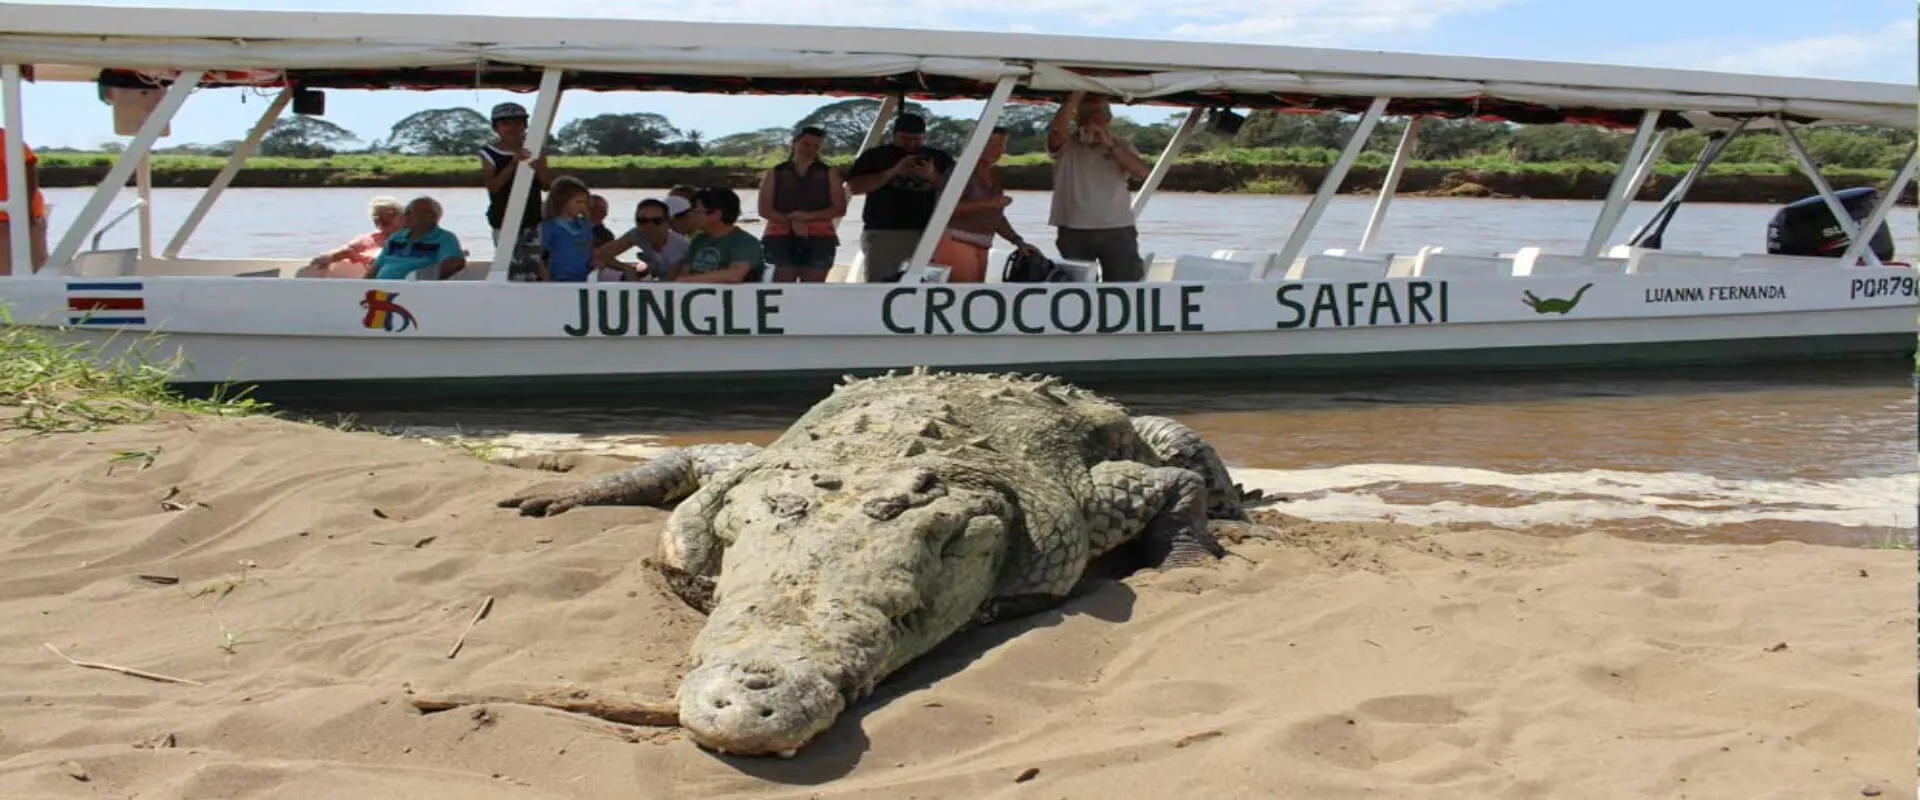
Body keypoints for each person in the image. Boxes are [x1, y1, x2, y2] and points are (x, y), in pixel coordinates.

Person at [1046, 90, 1152, 282]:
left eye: (1097, 114)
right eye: (1085, 115)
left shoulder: (1122, 145)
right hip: (1073, 229)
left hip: (1117, 229)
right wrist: (1076, 95)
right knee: (1077, 287)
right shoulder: (1067, 145)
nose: (1091, 120)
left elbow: (1142, 172)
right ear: (1076, 119)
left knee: (1124, 284)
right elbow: (1056, 130)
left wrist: (1110, 145)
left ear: (1108, 119)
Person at [843, 113, 953, 282]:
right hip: (883, 232)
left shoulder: (940, 158)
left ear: (925, 136)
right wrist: (894, 171)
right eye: (905, 139)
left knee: (926, 286)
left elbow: (958, 192)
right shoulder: (875, 156)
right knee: (881, 284)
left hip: (928, 232)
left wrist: (932, 176)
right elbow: (855, 187)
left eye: (916, 139)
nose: (910, 144)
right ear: (894, 135)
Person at [929, 127, 1038, 282]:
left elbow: (996, 216)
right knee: (963, 293)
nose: (997, 150)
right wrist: (989, 203)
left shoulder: (994, 174)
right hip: (957, 239)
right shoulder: (961, 172)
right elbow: (945, 208)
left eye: (1002, 145)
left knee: (976, 294)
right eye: (991, 144)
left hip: (983, 243)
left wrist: (1018, 241)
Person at [758, 126, 847, 282]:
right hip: (780, 236)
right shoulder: (775, 172)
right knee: (781, 290)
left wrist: (807, 217)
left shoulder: (829, 173)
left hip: (819, 237)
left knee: (812, 292)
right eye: (806, 144)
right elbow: (764, 209)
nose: (810, 150)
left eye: (816, 146)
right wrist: (793, 222)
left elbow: (839, 208)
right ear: (794, 143)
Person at [478, 102, 551, 281]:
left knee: (532, 263)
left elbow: (546, 185)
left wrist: (539, 166)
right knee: (509, 264)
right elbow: (493, 186)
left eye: (517, 123)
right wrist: (514, 164)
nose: (512, 128)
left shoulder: (535, 149)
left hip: (531, 217)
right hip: (503, 217)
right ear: (496, 128)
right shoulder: (488, 153)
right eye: (506, 124)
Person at [663, 187, 761, 284]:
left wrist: (687, 280)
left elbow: (735, 275)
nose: (691, 215)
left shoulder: (744, 242)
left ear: (716, 214)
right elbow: (684, 273)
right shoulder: (699, 240)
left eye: (695, 211)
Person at [297, 195, 404, 278]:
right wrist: (330, 256)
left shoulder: (412, 237)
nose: (382, 218)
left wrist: (361, 258)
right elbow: (345, 250)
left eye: (390, 214)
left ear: (403, 216)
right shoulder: (367, 239)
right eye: (376, 215)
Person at [593, 196, 691, 281]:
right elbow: (600, 254)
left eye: (657, 221)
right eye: (642, 221)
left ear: (667, 223)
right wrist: (626, 268)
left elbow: (669, 284)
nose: (649, 225)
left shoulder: (679, 246)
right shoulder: (638, 234)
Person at [370, 196, 466, 280]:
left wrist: (419, 276)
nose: (405, 215)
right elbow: (376, 268)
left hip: (416, 292)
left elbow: (455, 262)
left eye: (410, 212)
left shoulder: (444, 238)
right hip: (380, 291)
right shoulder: (396, 237)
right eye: (405, 212)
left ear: (430, 216)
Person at [0, 125, 48, 275]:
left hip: (11, 220)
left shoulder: (2, 137)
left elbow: (28, 164)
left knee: (30, 275)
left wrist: (24, 211)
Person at [535, 176, 596, 283]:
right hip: (559, 279)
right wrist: (547, 280)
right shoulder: (550, 226)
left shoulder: (585, 225)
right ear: (562, 201)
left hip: (583, 278)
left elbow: (589, 249)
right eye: (578, 202)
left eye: (585, 202)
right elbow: (536, 256)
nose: (582, 206)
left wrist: (587, 221)